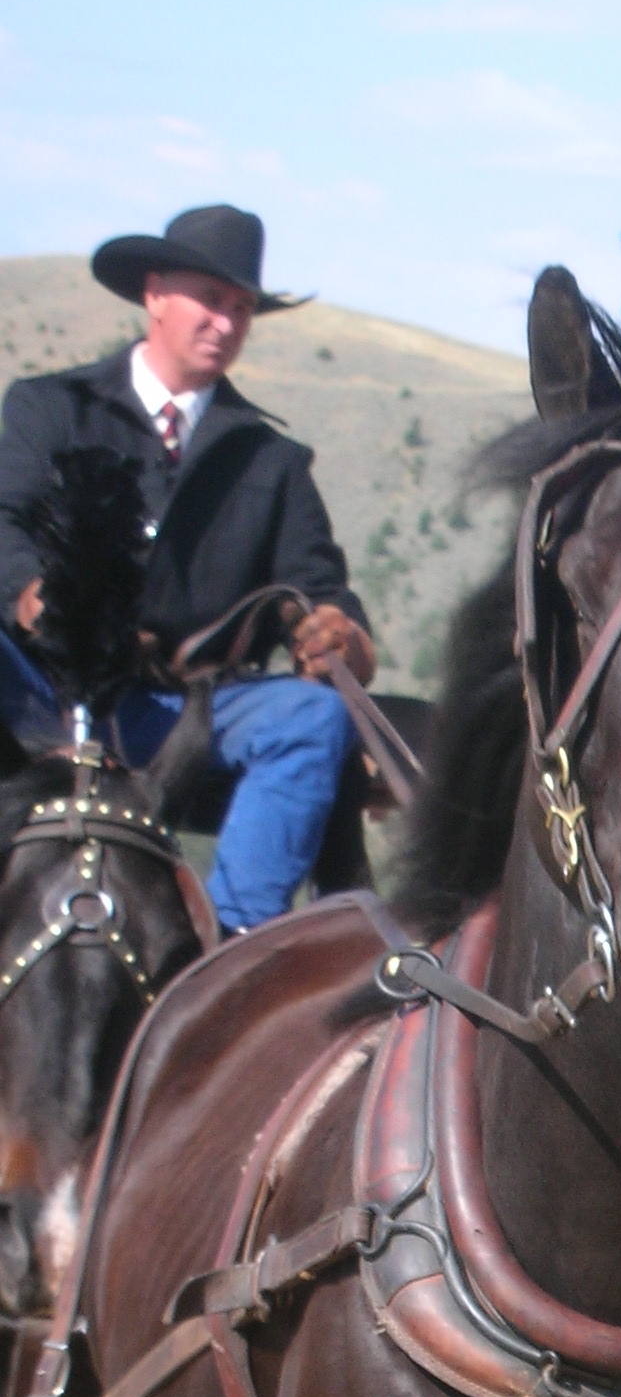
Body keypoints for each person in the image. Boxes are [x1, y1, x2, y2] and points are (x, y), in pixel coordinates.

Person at [0, 206, 375, 933]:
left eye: (241, 308)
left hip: (178, 714)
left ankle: (232, 947)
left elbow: (321, 588)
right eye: (210, 299)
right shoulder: (50, 409)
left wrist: (341, 635)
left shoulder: (272, 461)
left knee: (312, 716)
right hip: (38, 687)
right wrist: (28, 594)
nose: (226, 322)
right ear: (155, 294)